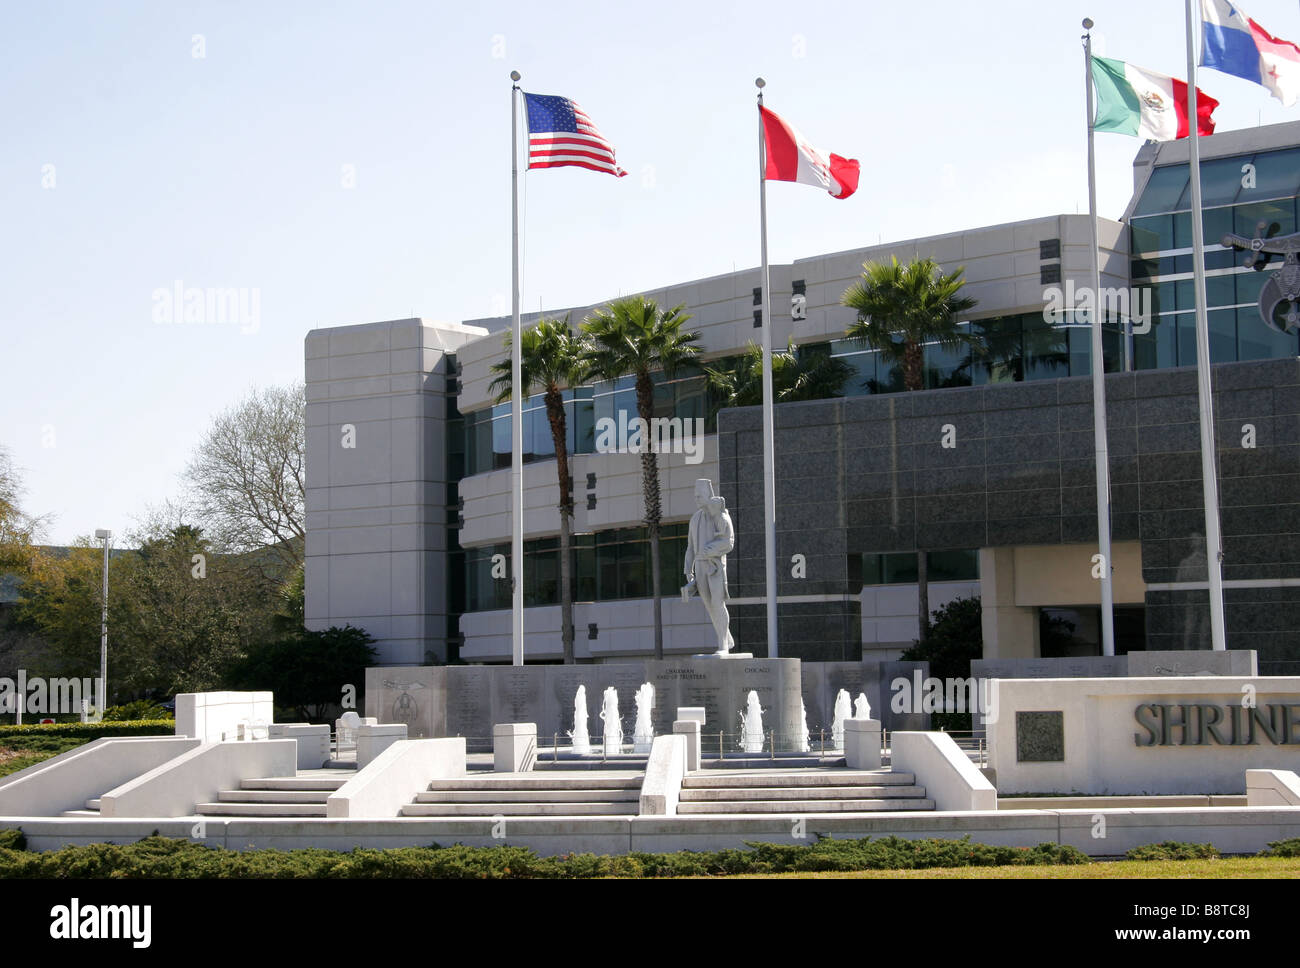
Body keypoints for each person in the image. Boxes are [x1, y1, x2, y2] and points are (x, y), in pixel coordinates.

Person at [684, 478, 735, 654]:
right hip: (699, 567)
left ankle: (723, 645)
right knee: (709, 605)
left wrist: (710, 550)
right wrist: (688, 570)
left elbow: (729, 542)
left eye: (700, 496)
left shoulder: (720, 515)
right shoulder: (695, 519)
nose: (697, 499)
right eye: (695, 496)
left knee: (718, 603)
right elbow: (690, 547)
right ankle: (726, 639)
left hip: (715, 566)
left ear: (708, 495)